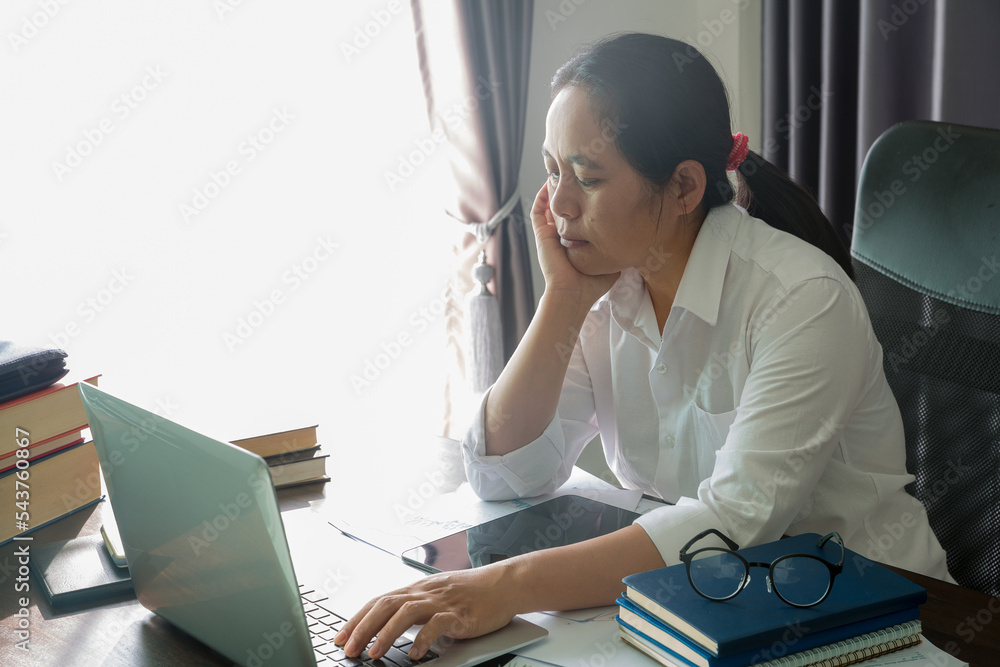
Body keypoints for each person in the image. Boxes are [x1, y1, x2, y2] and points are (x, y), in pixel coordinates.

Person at [335, 32, 952, 661]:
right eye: (552, 170)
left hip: (873, 619)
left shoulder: (801, 299)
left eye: (588, 177)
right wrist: (563, 303)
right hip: (709, 605)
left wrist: (507, 585)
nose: (559, 205)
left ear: (684, 187)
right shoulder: (608, 285)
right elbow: (506, 472)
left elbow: (730, 522)